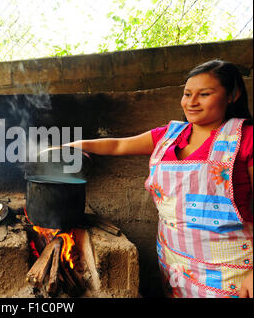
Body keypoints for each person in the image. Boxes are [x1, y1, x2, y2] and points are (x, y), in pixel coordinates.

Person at [66, 59, 253, 298]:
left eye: (204, 94)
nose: (191, 102)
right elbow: (118, 145)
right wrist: (69, 146)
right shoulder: (169, 136)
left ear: (232, 95)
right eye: (187, 94)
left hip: (230, 271)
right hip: (174, 261)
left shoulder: (245, 138)